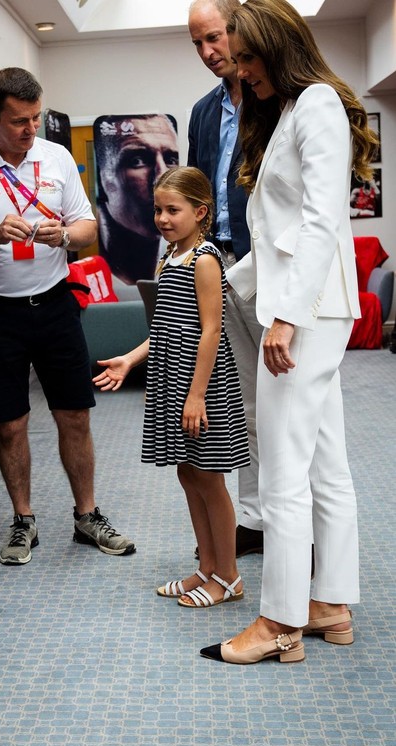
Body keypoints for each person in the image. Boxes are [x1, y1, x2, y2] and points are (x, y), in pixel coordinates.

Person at [200, 0, 377, 664]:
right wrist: (226, 278)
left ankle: (278, 621)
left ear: (281, 47)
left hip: (305, 316)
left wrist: (285, 317)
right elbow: (278, 236)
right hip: (304, 308)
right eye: (236, 58)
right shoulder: (294, 113)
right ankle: (329, 601)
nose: (241, 70)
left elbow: (321, 221)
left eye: (248, 57)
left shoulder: (319, 106)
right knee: (325, 461)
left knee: (281, 465)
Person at [0, 67, 136, 565]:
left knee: (74, 415)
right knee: (10, 425)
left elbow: (88, 227)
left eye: (36, 117)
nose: (31, 129)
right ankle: (23, 521)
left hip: (54, 305)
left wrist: (64, 235)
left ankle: (87, 515)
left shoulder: (56, 157)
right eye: (19, 121)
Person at [94, 167, 249, 607]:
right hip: (170, 377)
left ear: (200, 213)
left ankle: (230, 577)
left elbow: (210, 331)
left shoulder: (204, 258)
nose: (162, 218)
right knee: (187, 472)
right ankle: (207, 568)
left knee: (209, 478)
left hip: (200, 385)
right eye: (158, 209)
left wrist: (197, 394)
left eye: (173, 210)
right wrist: (130, 357)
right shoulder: (168, 256)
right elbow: (164, 327)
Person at [187, 0, 263, 558]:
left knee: (277, 404)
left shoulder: (274, 99)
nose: (209, 53)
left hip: (267, 267)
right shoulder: (202, 111)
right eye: (197, 44)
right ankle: (253, 521)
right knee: (238, 405)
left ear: (237, 30)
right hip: (219, 266)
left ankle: (286, 521)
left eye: (214, 38)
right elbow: (196, 194)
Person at [94, 114, 179, 286]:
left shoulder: (185, 261)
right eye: (137, 161)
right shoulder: (95, 279)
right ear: (103, 178)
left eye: (170, 160)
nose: (161, 178)